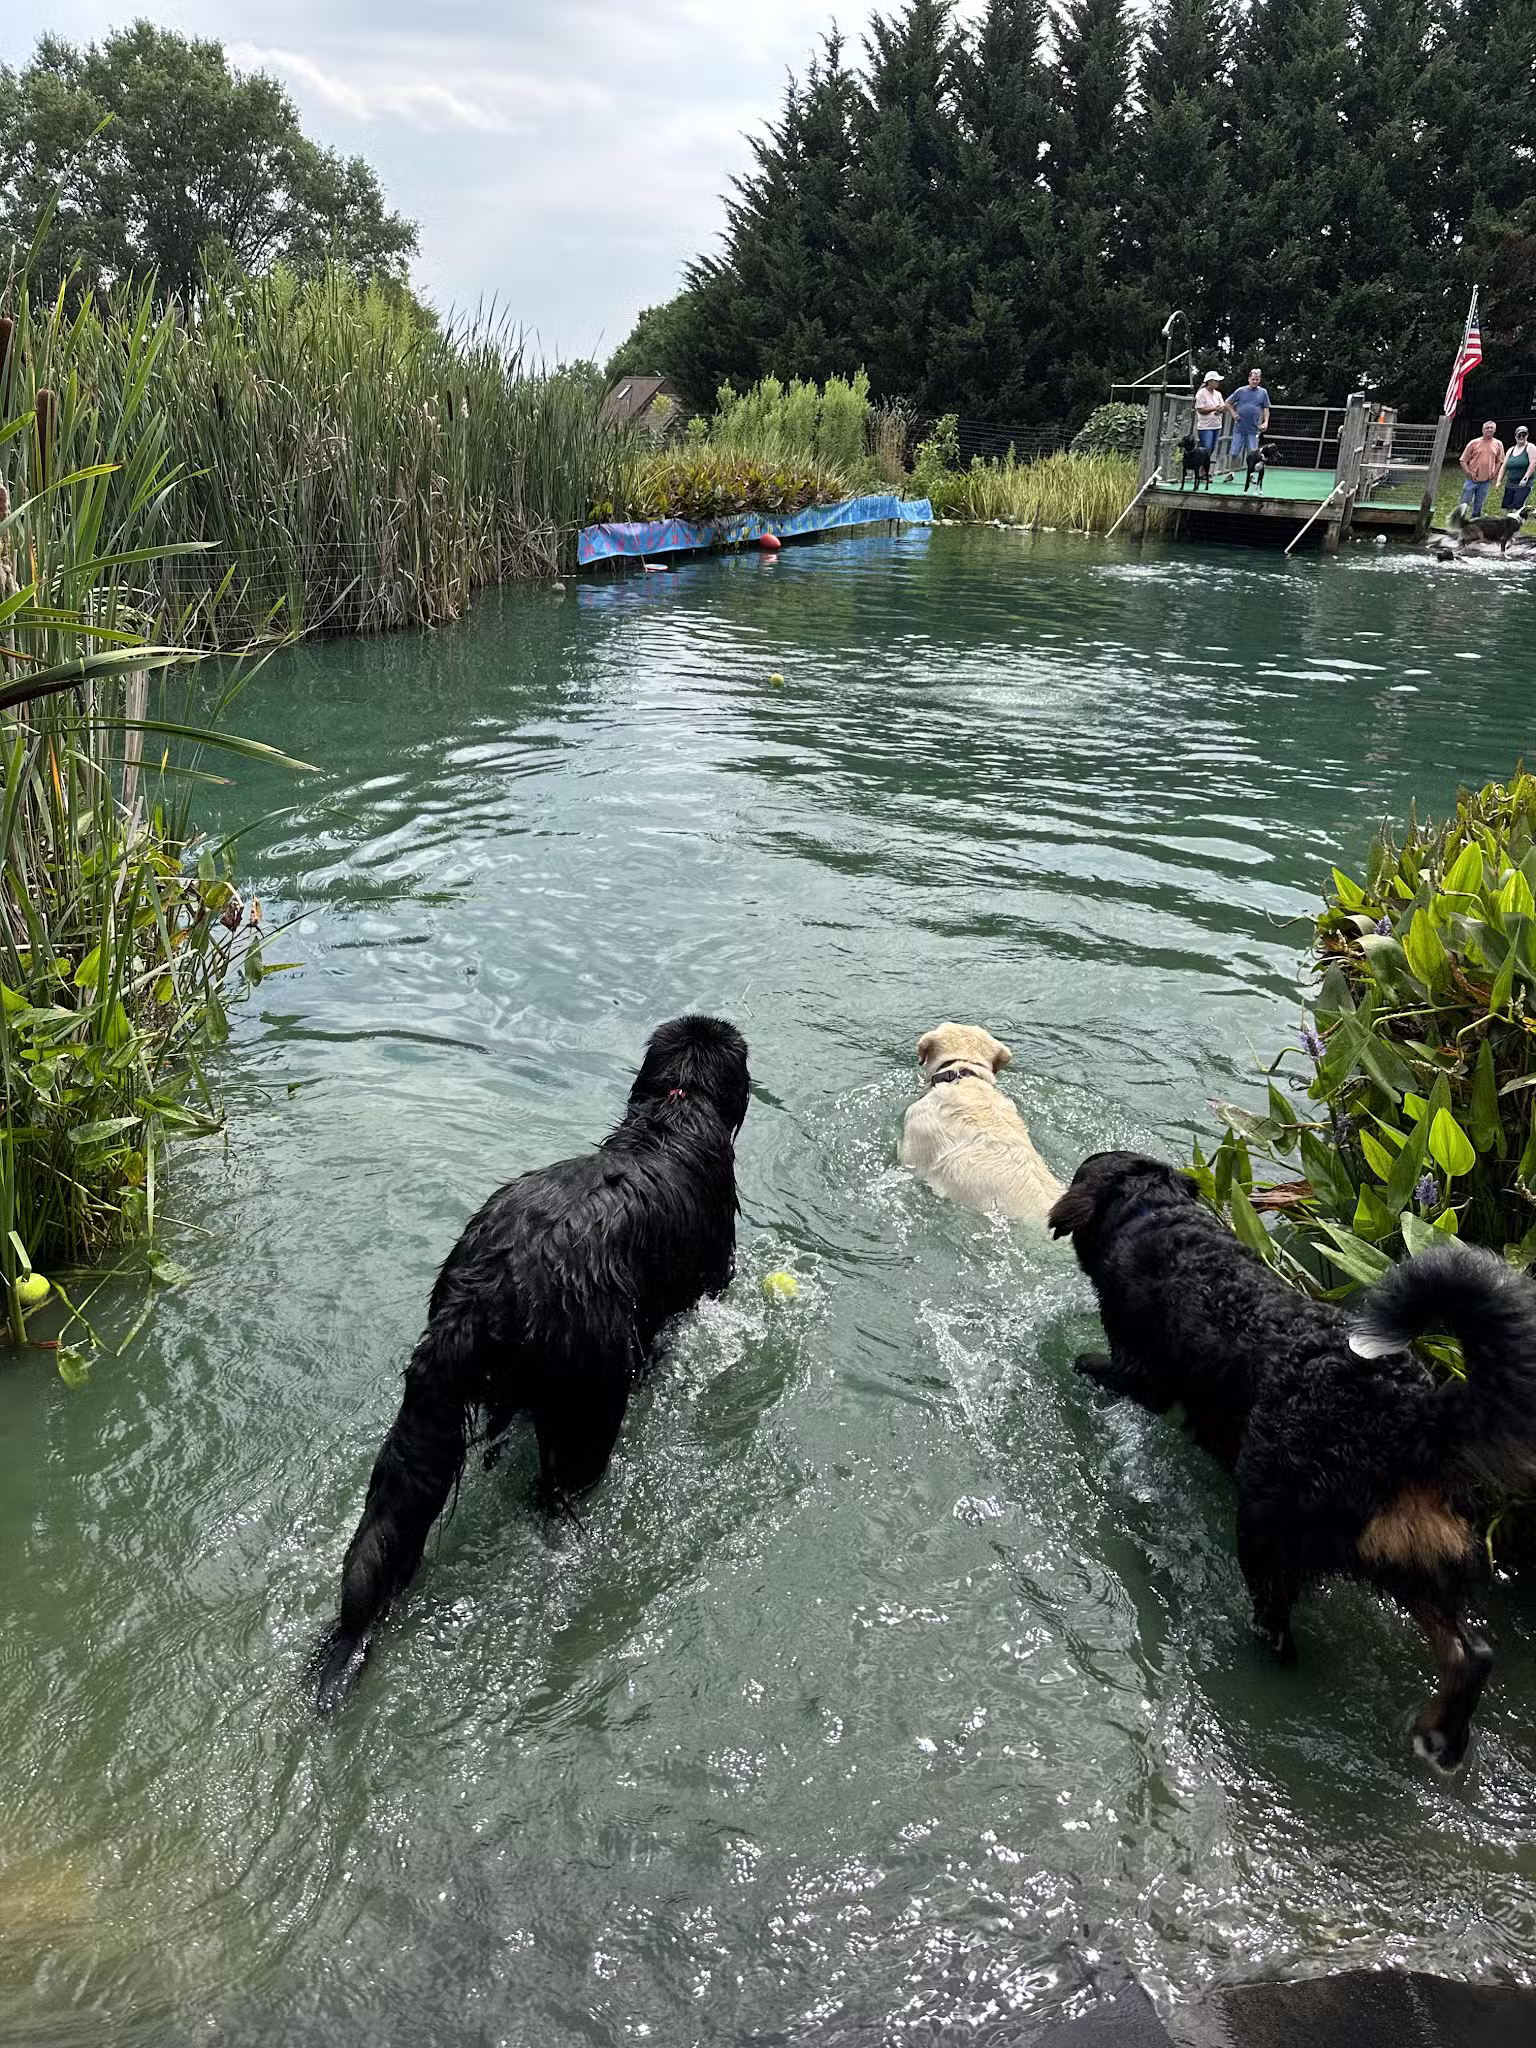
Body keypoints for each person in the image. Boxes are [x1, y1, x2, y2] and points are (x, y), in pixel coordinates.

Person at [1225, 368, 1270, 475]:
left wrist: (1266, 422)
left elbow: (1266, 408)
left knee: (1253, 452)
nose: (1255, 381)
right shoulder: (1241, 391)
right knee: (1234, 451)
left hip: (1253, 428)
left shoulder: (1263, 392)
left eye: (1257, 379)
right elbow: (1228, 402)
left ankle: (1251, 473)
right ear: (1249, 379)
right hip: (1240, 427)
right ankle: (1231, 472)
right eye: (1253, 379)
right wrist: (1233, 414)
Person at [1458, 420, 1504, 516]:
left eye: (1492, 428)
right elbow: (1463, 460)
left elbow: (1499, 461)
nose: (1489, 430)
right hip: (1471, 480)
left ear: (1495, 430)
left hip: (1485, 481)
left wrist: (1494, 473)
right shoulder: (1473, 443)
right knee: (1464, 503)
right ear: (1482, 430)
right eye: (1487, 428)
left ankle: (1474, 523)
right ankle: (1459, 522)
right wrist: (1468, 473)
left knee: (1479, 504)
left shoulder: (1498, 444)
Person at [1498, 425, 1533, 513]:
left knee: (1518, 508)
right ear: (1515, 436)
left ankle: (1517, 525)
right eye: (1519, 435)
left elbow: (1533, 463)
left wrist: (1525, 478)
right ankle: (1508, 525)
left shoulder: (1530, 447)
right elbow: (1504, 466)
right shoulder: (1511, 450)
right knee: (1508, 507)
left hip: (1523, 484)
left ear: (1527, 436)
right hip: (1510, 483)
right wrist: (1499, 481)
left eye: (1523, 435)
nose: (1521, 437)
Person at [1193, 370, 1225, 456]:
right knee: (1206, 448)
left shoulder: (1218, 394)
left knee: (1211, 449)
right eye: (1216, 381)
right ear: (1209, 381)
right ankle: (1200, 468)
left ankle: (1204, 468)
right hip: (1205, 426)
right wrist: (1214, 408)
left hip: (1216, 425)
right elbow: (1200, 409)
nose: (1218, 383)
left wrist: (1220, 410)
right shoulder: (1201, 393)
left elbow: (1223, 406)